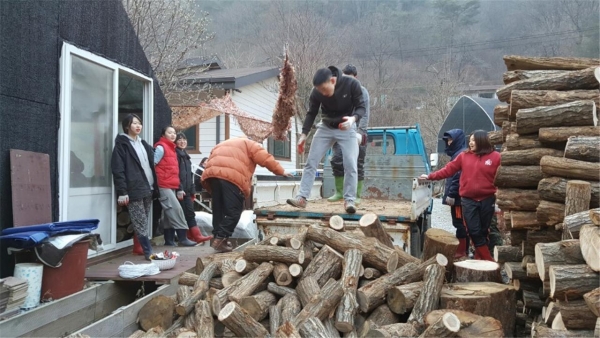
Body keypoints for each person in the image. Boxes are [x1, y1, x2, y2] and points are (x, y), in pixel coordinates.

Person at [287, 66, 366, 213]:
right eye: (320, 91)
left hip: (346, 127)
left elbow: (361, 107)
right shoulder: (316, 91)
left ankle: (349, 201)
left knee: (350, 163)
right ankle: (302, 198)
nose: (323, 93)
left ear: (333, 80)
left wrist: (353, 120)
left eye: (324, 89)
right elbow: (311, 113)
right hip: (326, 127)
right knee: (311, 161)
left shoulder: (351, 84)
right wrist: (303, 135)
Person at [420, 130, 501, 261]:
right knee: (473, 230)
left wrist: (500, 200)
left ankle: (479, 259)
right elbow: (448, 170)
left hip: (487, 199)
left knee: (483, 231)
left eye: (474, 140)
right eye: (470, 140)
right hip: (468, 200)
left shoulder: (496, 157)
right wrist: (430, 177)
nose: (471, 142)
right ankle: (489, 261)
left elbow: (502, 178)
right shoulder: (464, 156)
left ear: (482, 141)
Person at [202, 137, 292, 252]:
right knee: (234, 210)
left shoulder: (223, 143)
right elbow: (265, 158)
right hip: (231, 175)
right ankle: (221, 238)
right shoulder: (251, 144)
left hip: (212, 175)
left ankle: (218, 238)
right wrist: (281, 171)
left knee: (218, 209)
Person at [111, 114, 158, 260]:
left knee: (144, 218)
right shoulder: (122, 145)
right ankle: (147, 251)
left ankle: (139, 247)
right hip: (133, 189)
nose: (138, 126)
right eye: (134, 123)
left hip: (148, 187)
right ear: (126, 126)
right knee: (140, 220)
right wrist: (122, 192)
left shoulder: (144, 144)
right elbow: (118, 169)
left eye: (139, 123)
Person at [328, 65, 370, 205]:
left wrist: (360, 132)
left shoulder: (362, 91)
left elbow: (364, 113)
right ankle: (340, 192)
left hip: (357, 131)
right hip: (341, 130)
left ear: (355, 78)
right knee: (336, 160)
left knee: (357, 163)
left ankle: (356, 195)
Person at [154, 126, 196, 247]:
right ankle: (183, 238)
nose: (173, 135)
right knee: (176, 210)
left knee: (168, 215)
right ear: (163, 135)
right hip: (163, 184)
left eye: (174, 133)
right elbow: (153, 163)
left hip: (172, 184)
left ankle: (169, 240)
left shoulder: (172, 149)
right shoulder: (161, 147)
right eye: (170, 133)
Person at [175, 133, 213, 244]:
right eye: (179, 140)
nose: (182, 141)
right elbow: (176, 174)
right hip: (180, 190)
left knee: (190, 213)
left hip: (187, 190)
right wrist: (179, 189)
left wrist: (192, 191)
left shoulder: (186, 156)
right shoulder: (176, 155)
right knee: (182, 214)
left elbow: (189, 175)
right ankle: (184, 238)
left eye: (184, 139)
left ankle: (196, 235)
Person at [440, 129, 469, 259]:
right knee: (459, 223)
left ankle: (462, 251)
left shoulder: (460, 154)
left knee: (460, 223)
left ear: (458, 140)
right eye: (448, 140)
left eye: (451, 140)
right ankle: (464, 250)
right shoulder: (457, 154)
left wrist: (451, 194)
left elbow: (458, 176)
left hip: (458, 198)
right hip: (457, 196)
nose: (449, 143)